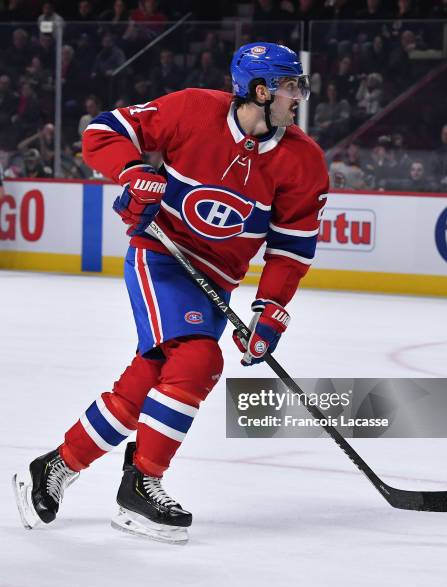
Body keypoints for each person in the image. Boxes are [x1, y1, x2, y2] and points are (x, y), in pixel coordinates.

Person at [12, 42, 329, 544]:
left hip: (217, 280)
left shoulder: (302, 160)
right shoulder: (192, 110)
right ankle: (142, 484)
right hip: (162, 255)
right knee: (198, 361)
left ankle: (57, 464)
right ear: (260, 89)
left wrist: (271, 309)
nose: (299, 95)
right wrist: (134, 173)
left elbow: (292, 246)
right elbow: (103, 131)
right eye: (290, 85)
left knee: (154, 374)